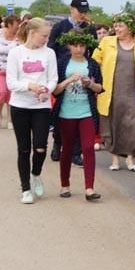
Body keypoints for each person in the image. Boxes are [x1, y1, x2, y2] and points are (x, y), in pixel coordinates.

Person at [6, 18, 57, 204]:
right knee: (24, 149)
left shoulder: (49, 53)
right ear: (32, 33)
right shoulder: (16, 53)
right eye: (44, 36)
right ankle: (25, 188)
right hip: (20, 106)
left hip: (41, 107)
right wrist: (30, 86)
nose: (46, 39)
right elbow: (11, 82)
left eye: (48, 36)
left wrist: (47, 91)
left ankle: (36, 173)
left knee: (41, 146)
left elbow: (53, 79)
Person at [92, 13, 135, 171]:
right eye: (115, 26)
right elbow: (94, 61)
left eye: (120, 25)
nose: (117, 29)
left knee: (132, 124)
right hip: (110, 90)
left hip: (134, 91)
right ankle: (115, 159)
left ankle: (130, 158)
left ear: (130, 27)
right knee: (113, 123)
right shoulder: (106, 42)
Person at [51, 31, 104, 201]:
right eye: (75, 45)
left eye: (82, 46)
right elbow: (55, 90)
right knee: (66, 148)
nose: (79, 49)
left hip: (86, 111)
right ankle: (64, 185)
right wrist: (69, 80)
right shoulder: (62, 63)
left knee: (88, 147)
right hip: (66, 112)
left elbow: (100, 88)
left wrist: (89, 84)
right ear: (69, 45)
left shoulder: (93, 64)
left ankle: (89, 188)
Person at [48, 0, 96, 166]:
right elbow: (51, 49)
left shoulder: (89, 29)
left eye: (85, 12)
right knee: (62, 111)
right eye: (80, 11)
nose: (83, 15)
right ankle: (57, 144)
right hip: (63, 72)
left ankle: (76, 151)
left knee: (80, 111)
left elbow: (93, 50)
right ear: (72, 9)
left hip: (82, 73)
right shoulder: (60, 26)